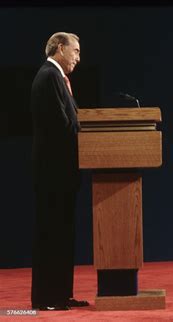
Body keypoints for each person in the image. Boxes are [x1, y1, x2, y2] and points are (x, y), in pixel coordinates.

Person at [30, 32, 88, 310]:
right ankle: (46, 299)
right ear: (60, 48)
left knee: (63, 235)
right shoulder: (49, 76)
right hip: (53, 173)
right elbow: (59, 126)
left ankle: (61, 295)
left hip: (62, 172)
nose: (78, 56)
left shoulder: (58, 78)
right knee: (51, 235)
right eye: (75, 50)